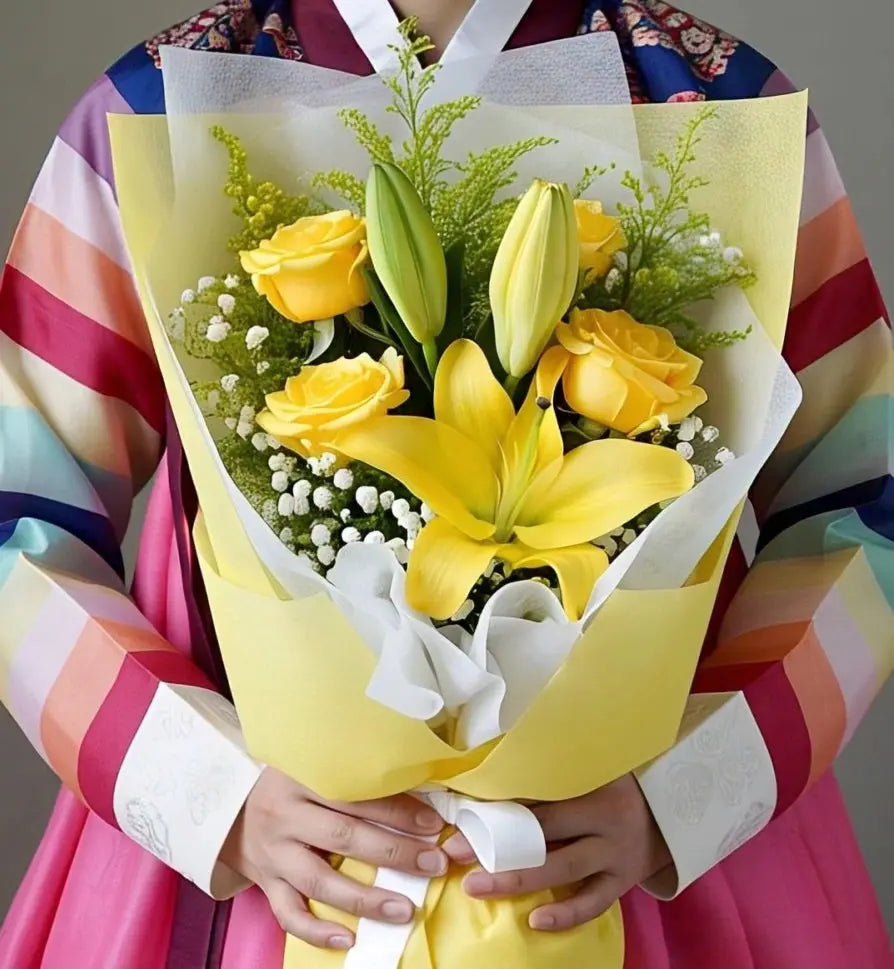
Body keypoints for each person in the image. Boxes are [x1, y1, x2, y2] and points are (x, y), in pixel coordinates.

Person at [0, 0, 891, 966]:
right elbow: (20, 517)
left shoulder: (718, 105)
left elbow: (864, 500)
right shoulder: (145, 113)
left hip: (629, 841)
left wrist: (685, 791)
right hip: (278, 852)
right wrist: (212, 794)